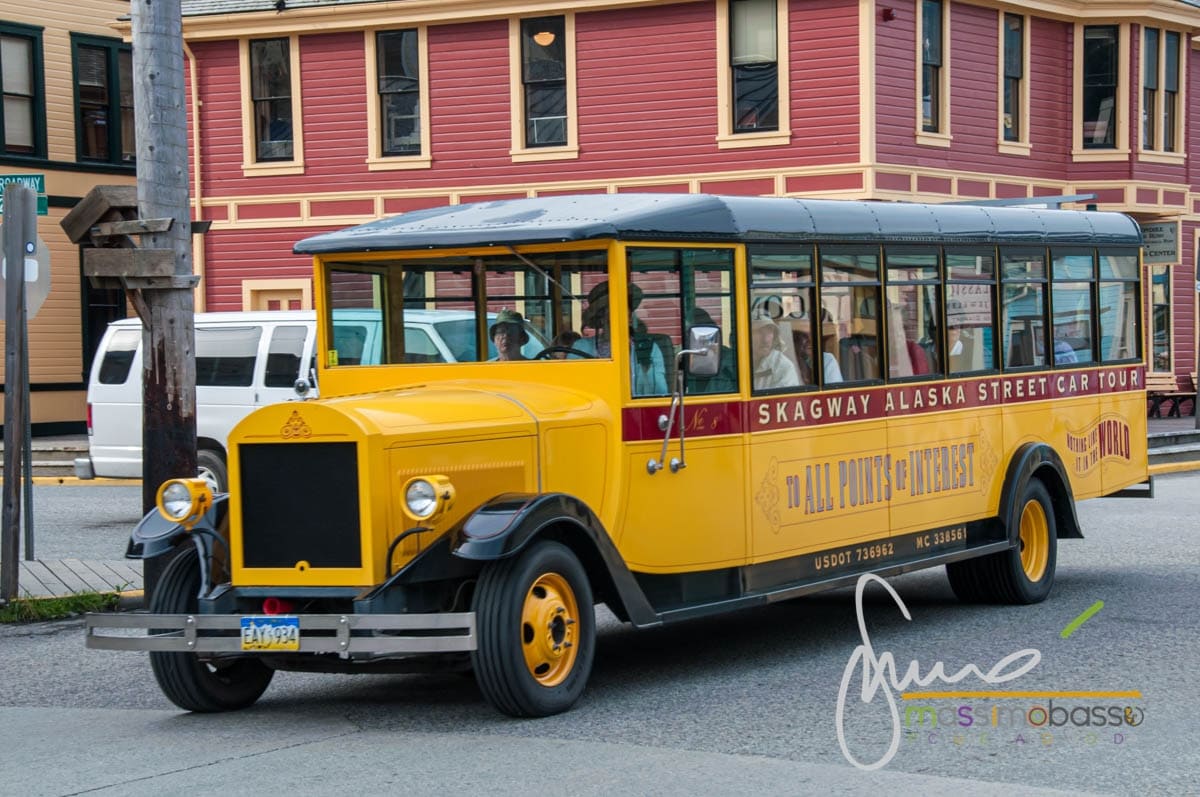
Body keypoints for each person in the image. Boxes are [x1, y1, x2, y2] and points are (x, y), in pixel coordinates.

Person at [574, 281, 667, 396]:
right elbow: (573, 388)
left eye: (624, 313)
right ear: (601, 319)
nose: (617, 319)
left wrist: (644, 367)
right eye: (611, 313)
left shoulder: (647, 347)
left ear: (630, 318)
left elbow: (660, 392)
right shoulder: (581, 347)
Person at [751, 317, 800, 391]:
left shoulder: (784, 366)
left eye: (769, 333)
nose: (766, 340)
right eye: (759, 332)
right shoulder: (734, 362)